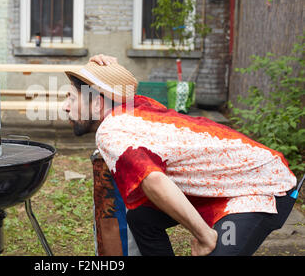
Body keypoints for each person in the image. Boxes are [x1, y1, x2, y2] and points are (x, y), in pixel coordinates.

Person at [62, 54, 298, 256]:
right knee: (141, 218)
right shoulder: (136, 107)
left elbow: (154, 180)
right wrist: (107, 68)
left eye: (71, 97)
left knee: (216, 249)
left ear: (97, 103)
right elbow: (116, 91)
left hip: (258, 189)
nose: (65, 106)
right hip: (224, 185)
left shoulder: (110, 130)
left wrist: (204, 235)